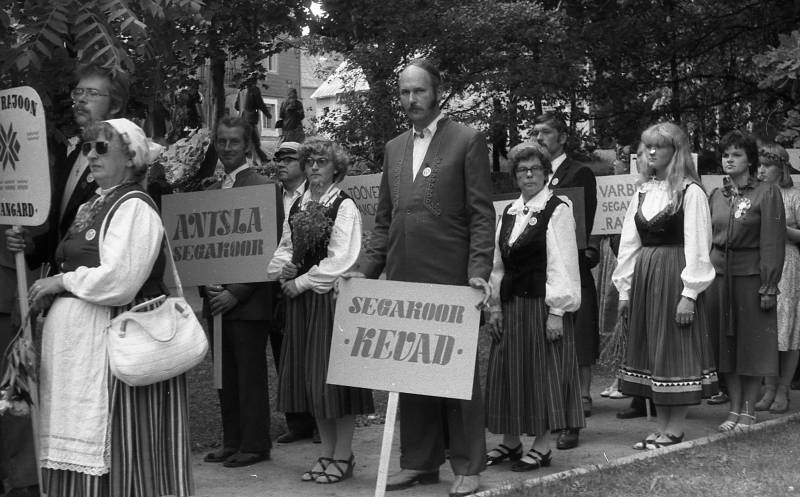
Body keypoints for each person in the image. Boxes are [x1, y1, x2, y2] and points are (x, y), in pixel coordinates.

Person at [349, 59, 495, 497]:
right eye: (404, 93)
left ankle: (469, 465)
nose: (410, 100)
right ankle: (420, 463)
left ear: (437, 92)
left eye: (419, 91)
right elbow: (384, 220)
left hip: (451, 280)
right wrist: (365, 272)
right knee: (410, 371)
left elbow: (481, 216)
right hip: (404, 279)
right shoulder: (394, 147)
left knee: (457, 374)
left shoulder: (467, 141)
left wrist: (478, 272)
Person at [25, 118, 193, 496]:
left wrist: (62, 282)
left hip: (114, 350)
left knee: (118, 441)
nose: (91, 154)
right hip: (80, 352)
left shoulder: (134, 207)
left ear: (131, 156)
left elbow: (120, 280)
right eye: (88, 147)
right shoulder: (93, 204)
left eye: (102, 147)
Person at [267, 137, 373, 483]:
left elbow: (342, 257)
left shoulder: (343, 206)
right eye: (310, 161)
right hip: (302, 305)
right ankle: (326, 452)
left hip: (328, 303)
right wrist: (282, 269)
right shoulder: (298, 204)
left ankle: (343, 454)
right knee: (314, 382)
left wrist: (300, 282)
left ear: (335, 168)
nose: (314, 167)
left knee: (334, 382)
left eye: (321, 162)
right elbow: (286, 244)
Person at [612, 122, 718, 449]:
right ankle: (660, 426)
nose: (652, 153)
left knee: (674, 347)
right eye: (648, 147)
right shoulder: (643, 191)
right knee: (652, 348)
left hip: (675, 275)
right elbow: (629, 243)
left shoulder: (691, 192)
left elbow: (699, 246)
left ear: (677, 151)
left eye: (660, 147)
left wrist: (689, 294)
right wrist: (625, 289)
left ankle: (675, 429)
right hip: (645, 276)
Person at [484, 142, 583, 471]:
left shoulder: (557, 209)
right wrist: (494, 305)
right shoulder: (510, 212)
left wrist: (557, 312)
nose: (528, 175)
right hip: (512, 306)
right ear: (514, 176)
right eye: (522, 170)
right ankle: (511, 442)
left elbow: (563, 265)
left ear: (545, 173)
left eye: (535, 169)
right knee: (509, 372)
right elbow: (498, 265)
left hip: (542, 307)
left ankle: (541, 446)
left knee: (540, 375)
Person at [5, 64, 129, 272]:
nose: (81, 99)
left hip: (97, 291)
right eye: (78, 92)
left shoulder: (125, 158)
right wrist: (31, 245)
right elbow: (65, 229)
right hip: (65, 286)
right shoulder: (73, 155)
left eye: (92, 93)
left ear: (115, 106)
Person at [201, 117, 274, 468]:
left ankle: (256, 443)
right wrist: (209, 286)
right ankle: (232, 440)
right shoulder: (211, 192)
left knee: (249, 375)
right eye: (222, 141)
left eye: (234, 142)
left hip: (249, 302)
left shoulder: (262, 186)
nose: (227, 148)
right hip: (216, 301)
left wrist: (237, 292)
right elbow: (200, 246)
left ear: (247, 145)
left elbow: (271, 248)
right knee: (223, 376)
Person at [707, 130, 785, 432]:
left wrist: (768, 285)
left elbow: (772, 243)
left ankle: (749, 410)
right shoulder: (718, 194)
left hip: (752, 277)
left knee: (751, 348)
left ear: (750, 160)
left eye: (736, 154)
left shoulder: (766, 192)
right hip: (719, 278)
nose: (729, 159)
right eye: (726, 154)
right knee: (726, 346)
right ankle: (734, 408)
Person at [532, 113, 599, 450]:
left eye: (545, 132)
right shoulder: (532, 175)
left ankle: (580, 398)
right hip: (539, 270)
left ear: (561, 137)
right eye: (535, 133)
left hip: (570, 263)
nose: (539, 138)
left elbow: (581, 223)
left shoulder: (578, 172)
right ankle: (555, 404)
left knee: (578, 334)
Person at [271, 141, 319, 444]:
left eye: (288, 158)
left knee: (311, 353)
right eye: (278, 159)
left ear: (303, 163)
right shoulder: (269, 197)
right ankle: (297, 421)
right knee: (284, 354)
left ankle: (318, 420)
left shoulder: (315, 195)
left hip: (308, 284)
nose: (282, 164)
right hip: (277, 284)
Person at [754, 143, 800, 413]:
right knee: (766, 327)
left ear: (781, 167)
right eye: (759, 165)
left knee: (788, 328)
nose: (761, 170)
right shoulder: (757, 194)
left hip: (787, 263)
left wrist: (779, 226)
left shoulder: (794, 196)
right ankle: (768, 387)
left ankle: (783, 389)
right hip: (760, 261)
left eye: (767, 165)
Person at [237, 82, 271, 162]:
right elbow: (260, 103)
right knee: (255, 140)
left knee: (250, 140)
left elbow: (236, 105)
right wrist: (267, 114)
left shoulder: (241, 90)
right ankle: (260, 159)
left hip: (242, 118)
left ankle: (257, 159)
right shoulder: (254, 90)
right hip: (251, 119)